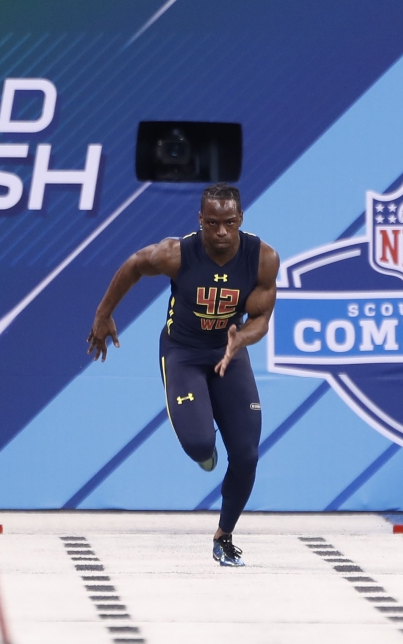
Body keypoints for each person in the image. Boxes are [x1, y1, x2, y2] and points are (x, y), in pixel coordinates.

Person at [87, 183, 279, 566]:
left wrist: (240, 339)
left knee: (246, 454)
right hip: (184, 353)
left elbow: (262, 318)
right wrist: (104, 313)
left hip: (229, 352)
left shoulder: (263, 258)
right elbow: (135, 264)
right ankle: (205, 454)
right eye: (212, 223)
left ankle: (224, 536)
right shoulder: (177, 253)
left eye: (228, 223)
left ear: (240, 219)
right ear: (200, 220)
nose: (221, 232)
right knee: (199, 444)